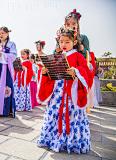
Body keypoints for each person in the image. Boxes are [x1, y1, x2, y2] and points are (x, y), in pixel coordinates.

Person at [37, 26, 93, 154]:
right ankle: (52, 138)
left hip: (71, 93)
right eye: (61, 42)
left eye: (67, 42)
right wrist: (45, 72)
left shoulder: (79, 56)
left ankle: (71, 142)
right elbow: (52, 76)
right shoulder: (57, 56)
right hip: (57, 91)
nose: (64, 44)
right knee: (54, 113)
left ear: (74, 42)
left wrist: (77, 71)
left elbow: (87, 72)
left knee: (72, 115)